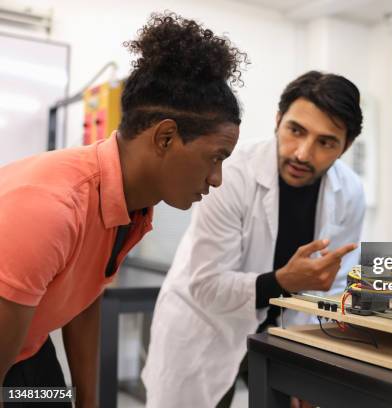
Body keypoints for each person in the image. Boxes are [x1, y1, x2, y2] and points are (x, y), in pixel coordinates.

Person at [0, 12, 246, 408]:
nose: (216, 178)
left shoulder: (131, 203)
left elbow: (84, 297)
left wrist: (89, 403)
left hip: (26, 348)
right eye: (215, 158)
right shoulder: (51, 208)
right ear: (166, 137)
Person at [142, 70, 365, 407]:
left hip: (284, 338)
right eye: (295, 131)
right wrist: (282, 281)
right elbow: (206, 285)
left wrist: (316, 362)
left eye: (325, 142)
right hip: (206, 328)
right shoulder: (230, 173)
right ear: (277, 121)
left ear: (345, 146)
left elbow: (334, 288)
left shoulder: (349, 192)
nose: (303, 154)